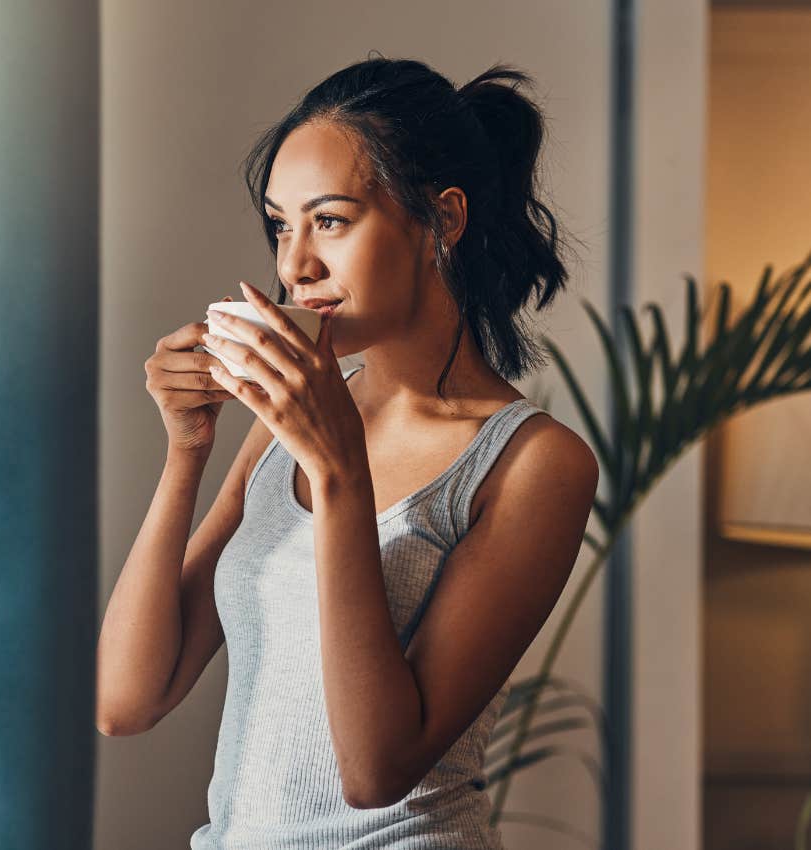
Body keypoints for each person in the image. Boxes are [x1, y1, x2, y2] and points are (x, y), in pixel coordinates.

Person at [96, 56, 599, 849]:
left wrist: (338, 474)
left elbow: (376, 770)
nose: (295, 266)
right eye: (280, 224)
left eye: (329, 220)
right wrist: (186, 452)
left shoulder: (533, 463)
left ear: (443, 220)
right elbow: (128, 701)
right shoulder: (283, 423)